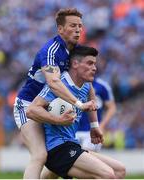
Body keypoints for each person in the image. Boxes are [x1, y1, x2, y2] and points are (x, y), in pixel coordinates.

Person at [13, 8, 97, 179]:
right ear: (60, 29)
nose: (78, 30)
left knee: (57, 158)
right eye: (73, 25)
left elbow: (88, 82)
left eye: (80, 26)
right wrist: (79, 104)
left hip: (54, 106)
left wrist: (94, 125)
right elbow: (53, 83)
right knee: (40, 155)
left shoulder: (77, 52)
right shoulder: (50, 51)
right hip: (29, 105)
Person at [27, 46, 126, 179]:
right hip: (57, 148)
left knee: (120, 170)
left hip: (72, 145)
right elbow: (32, 110)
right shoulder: (59, 85)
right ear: (75, 64)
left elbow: (92, 99)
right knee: (108, 175)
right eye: (90, 63)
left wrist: (94, 127)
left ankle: (49, 174)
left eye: (95, 64)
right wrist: (58, 120)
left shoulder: (86, 85)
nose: (94, 68)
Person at [76, 77, 117, 151]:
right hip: (72, 131)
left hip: (91, 132)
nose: (93, 68)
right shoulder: (68, 82)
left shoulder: (102, 85)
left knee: (86, 158)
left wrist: (101, 126)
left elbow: (112, 108)